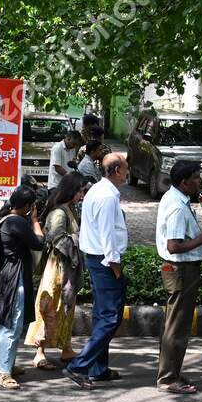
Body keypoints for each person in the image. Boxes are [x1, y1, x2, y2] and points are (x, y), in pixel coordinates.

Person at [68, 152, 130, 389]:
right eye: (125, 169)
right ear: (115, 171)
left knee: (102, 315)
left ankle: (98, 367)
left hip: (96, 259)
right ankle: (79, 366)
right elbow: (107, 236)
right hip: (105, 261)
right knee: (111, 317)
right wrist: (115, 267)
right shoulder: (106, 196)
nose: (127, 174)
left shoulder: (98, 190)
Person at [156, 160, 202, 394]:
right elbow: (173, 246)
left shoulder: (175, 199)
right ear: (184, 182)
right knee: (177, 325)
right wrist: (201, 239)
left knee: (174, 322)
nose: (199, 181)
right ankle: (168, 378)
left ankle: (170, 371)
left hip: (181, 268)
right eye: (196, 178)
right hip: (181, 269)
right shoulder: (177, 206)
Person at [26, 172, 87, 371]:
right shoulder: (59, 213)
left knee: (66, 308)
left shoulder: (69, 209)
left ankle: (66, 348)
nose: (81, 195)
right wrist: (78, 239)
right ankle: (39, 353)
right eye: (79, 191)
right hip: (57, 267)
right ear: (71, 190)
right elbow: (57, 239)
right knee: (49, 306)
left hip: (67, 266)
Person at [0, 186, 45, 389]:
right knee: (11, 324)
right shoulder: (16, 222)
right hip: (14, 279)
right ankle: (4, 373)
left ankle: (6, 365)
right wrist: (34, 221)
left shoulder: (7, 218)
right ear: (29, 206)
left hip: (8, 276)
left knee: (9, 323)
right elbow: (39, 243)